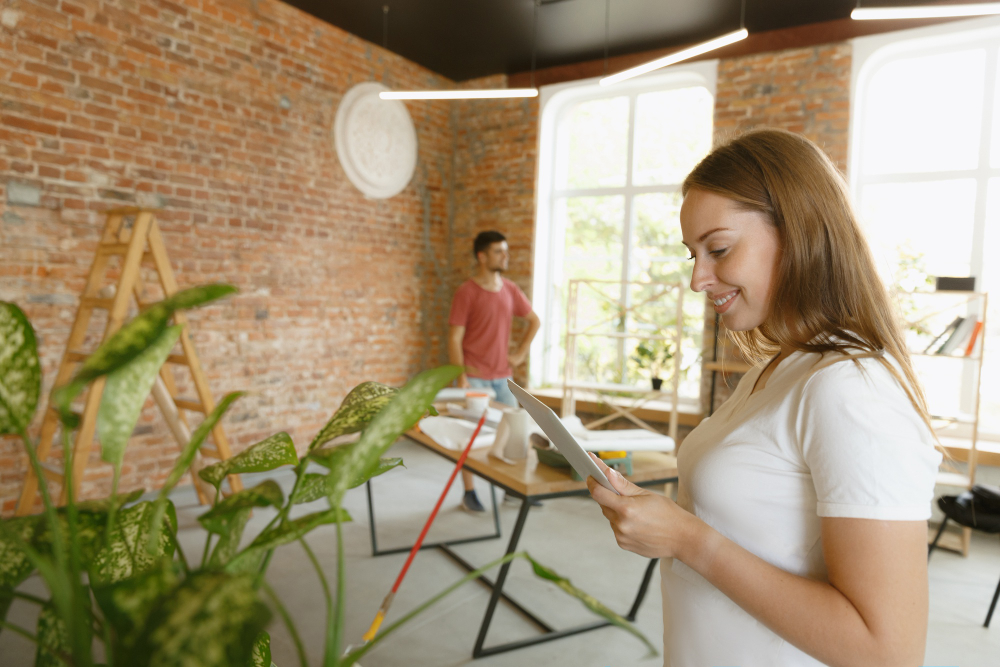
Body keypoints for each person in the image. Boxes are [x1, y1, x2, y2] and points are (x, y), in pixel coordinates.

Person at [587, 128, 942, 666]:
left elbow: (887, 651)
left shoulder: (851, 389)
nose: (698, 279)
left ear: (798, 231)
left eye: (719, 249)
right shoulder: (779, 368)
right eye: (693, 255)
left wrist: (689, 540)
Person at [449, 230, 541, 512]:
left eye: (506, 250)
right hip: (474, 377)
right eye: (499, 251)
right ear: (482, 256)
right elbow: (454, 338)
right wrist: (461, 375)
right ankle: (469, 492)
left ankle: (511, 491)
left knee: (513, 435)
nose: (505, 256)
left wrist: (520, 353)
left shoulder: (510, 290)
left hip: (503, 378)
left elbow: (534, 321)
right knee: (472, 438)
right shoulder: (467, 292)